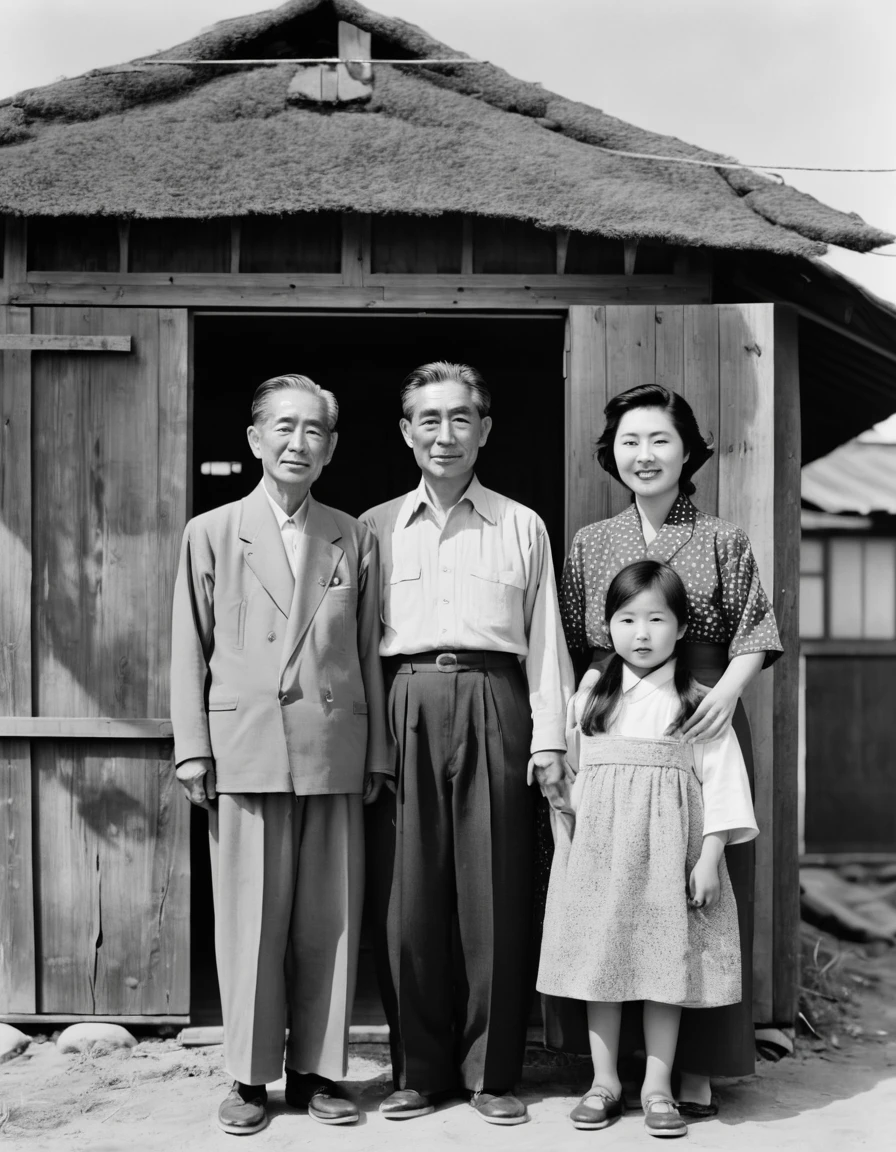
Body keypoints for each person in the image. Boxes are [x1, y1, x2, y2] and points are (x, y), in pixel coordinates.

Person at [170, 374, 389, 1136]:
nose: (299, 443)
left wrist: (379, 754)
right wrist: (192, 750)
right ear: (257, 440)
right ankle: (248, 1077)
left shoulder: (352, 535)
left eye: (315, 431)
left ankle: (320, 1074)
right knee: (249, 922)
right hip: (245, 747)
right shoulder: (211, 531)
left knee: (328, 920)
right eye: (284, 428)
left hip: (334, 746)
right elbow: (186, 647)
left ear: (331, 449)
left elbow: (367, 652)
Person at [555, 383, 782, 1114]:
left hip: (704, 710)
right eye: (629, 441)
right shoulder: (593, 542)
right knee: (616, 900)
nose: (644, 454)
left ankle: (694, 1067)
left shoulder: (722, 537)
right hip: (620, 724)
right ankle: (609, 1071)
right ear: (611, 454)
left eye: (659, 440)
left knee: (698, 899)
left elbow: (755, 629)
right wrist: (587, 691)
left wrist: (728, 693)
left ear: (688, 451)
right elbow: (588, 641)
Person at [360, 361, 574, 1126]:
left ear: (483, 430)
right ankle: (418, 1070)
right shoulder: (372, 529)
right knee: (406, 898)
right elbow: (352, 647)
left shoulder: (521, 525)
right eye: (428, 419)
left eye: (459, 419)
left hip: (495, 699)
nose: (443, 434)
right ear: (406, 432)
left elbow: (546, 640)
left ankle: (492, 1073)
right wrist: (364, 744)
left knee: (495, 892)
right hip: (403, 702)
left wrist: (550, 740)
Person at [538, 560, 758, 1137]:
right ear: (607, 626)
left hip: (669, 859)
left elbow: (726, 784)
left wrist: (710, 858)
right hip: (600, 857)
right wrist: (567, 840)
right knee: (600, 963)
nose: (642, 633)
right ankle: (604, 1081)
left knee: (667, 970)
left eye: (657, 619)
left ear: (681, 627)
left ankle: (657, 1086)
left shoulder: (699, 703)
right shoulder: (590, 701)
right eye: (627, 618)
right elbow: (569, 782)